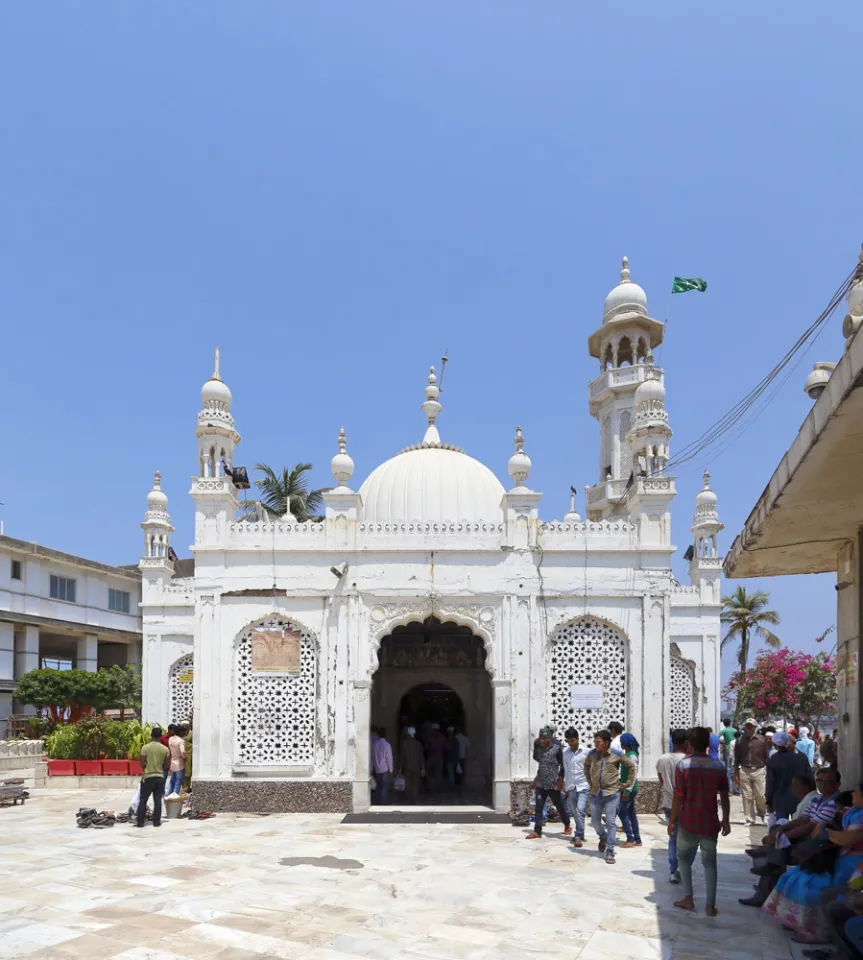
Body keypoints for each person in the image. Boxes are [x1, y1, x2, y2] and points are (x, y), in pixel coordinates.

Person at [763, 768, 863, 944]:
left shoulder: (845, 808)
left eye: (829, 782)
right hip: (836, 855)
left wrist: (828, 832)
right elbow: (807, 821)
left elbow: (845, 838)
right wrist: (782, 831)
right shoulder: (845, 809)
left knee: (811, 885)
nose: (854, 793)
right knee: (793, 876)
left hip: (850, 864)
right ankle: (793, 921)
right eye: (821, 781)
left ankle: (817, 931)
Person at [668, 726, 730, 918]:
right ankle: (710, 905)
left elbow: (678, 797)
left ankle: (688, 898)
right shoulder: (718, 766)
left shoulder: (683, 766)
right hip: (710, 821)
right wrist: (725, 820)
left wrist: (672, 821)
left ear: (689, 744)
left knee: (684, 860)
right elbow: (725, 796)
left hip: (688, 821)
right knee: (710, 863)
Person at [582, 729, 636, 865]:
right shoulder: (592, 754)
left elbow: (631, 766)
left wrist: (628, 783)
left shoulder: (616, 754)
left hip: (612, 793)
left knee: (611, 822)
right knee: (595, 821)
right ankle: (603, 837)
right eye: (595, 742)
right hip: (596, 793)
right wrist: (589, 781)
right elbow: (586, 766)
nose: (596, 744)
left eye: (598, 742)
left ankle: (610, 850)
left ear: (606, 743)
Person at [525, 726, 571, 840]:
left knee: (559, 805)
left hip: (553, 783)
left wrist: (560, 781)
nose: (542, 740)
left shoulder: (556, 748)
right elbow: (540, 764)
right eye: (540, 738)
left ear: (549, 738)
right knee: (539, 808)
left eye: (544, 738)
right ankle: (537, 831)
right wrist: (536, 780)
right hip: (541, 783)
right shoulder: (538, 748)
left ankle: (567, 825)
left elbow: (563, 765)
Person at [657, 728, 689, 883]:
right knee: (686, 839)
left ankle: (673, 870)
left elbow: (662, 781)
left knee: (673, 838)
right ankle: (682, 870)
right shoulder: (688, 761)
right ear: (685, 743)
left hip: (669, 803)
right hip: (686, 804)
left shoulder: (661, 759)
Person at [766, 731, 813, 820]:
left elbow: (770, 783)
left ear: (775, 745)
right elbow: (810, 778)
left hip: (780, 800)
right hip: (800, 798)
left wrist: (769, 802)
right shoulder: (801, 757)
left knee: (781, 827)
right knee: (797, 828)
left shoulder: (774, 759)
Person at [735, 718, 769, 826]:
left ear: (755, 727)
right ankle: (749, 818)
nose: (748, 728)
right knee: (747, 795)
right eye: (747, 726)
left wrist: (768, 770)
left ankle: (763, 814)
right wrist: (736, 772)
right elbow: (736, 758)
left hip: (759, 769)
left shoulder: (762, 740)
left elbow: (766, 756)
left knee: (760, 795)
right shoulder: (740, 740)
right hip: (744, 769)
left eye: (751, 726)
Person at [137, 725, 169, 828]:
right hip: (159, 777)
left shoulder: (145, 748)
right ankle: (157, 822)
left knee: (143, 800)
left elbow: (142, 764)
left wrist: (147, 766)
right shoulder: (165, 749)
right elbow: (167, 765)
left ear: (151, 736)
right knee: (157, 800)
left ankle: (140, 822)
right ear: (160, 736)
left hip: (148, 777)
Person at [563, 728, 589, 848]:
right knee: (574, 812)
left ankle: (578, 834)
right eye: (568, 741)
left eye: (572, 740)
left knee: (580, 809)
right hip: (571, 786)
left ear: (577, 739)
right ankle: (581, 833)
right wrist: (565, 786)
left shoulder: (586, 752)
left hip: (583, 785)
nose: (570, 743)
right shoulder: (565, 753)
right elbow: (566, 770)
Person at [618, 732, 642, 848]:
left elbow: (633, 774)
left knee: (621, 812)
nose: (620, 743)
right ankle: (637, 839)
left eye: (622, 741)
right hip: (626, 788)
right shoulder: (627, 754)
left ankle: (630, 838)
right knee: (631, 813)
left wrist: (627, 791)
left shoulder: (632, 755)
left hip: (629, 789)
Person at [399, 727, 425, 803]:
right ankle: (414, 799)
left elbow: (402, 757)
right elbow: (421, 757)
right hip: (416, 767)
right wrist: (423, 768)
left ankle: (409, 799)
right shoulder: (418, 744)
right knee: (415, 784)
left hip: (407, 767)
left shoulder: (404, 744)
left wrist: (400, 768)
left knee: (408, 784)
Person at [372, 727, 394, 804]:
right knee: (384, 786)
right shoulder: (387, 745)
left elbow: (372, 756)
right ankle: (383, 802)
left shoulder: (374, 744)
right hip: (384, 768)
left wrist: (372, 767)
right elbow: (389, 758)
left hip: (377, 768)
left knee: (378, 785)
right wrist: (391, 769)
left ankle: (377, 801)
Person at [424, 723, 445, 790]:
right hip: (439, 757)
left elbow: (426, 747)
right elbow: (446, 747)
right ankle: (438, 788)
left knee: (428, 773)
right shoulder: (442, 737)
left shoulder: (429, 736)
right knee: (438, 773)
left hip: (431, 757)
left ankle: (430, 787)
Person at [167, 724, 187, 795]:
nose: (185, 733)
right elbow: (182, 751)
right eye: (184, 732)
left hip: (173, 761)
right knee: (178, 781)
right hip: (180, 763)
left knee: (172, 780)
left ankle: (168, 794)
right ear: (181, 732)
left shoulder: (170, 739)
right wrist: (184, 757)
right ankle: (175, 795)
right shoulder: (181, 741)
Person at [718, 720, 736, 794]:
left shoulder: (724, 730)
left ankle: (729, 788)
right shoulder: (734, 730)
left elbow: (717, 737)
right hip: (735, 748)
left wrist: (723, 742)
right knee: (734, 766)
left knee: (727, 767)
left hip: (727, 748)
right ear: (730, 723)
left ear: (724, 724)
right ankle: (735, 788)